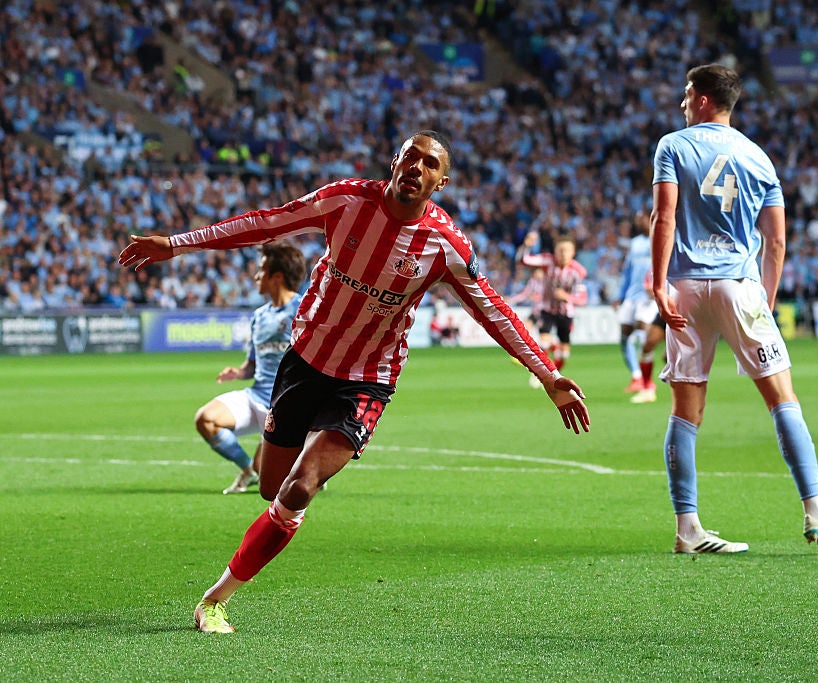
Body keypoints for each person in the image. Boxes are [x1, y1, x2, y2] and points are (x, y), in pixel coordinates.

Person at [118, 130, 590, 633]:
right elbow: (264, 223)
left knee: (299, 489)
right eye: (410, 156)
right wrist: (177, 244)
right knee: (272, 488)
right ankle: (269, 514)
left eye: (429, 164)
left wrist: (549, 373)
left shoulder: (445, 245)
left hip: (367, 379)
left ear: (441, 182)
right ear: (394, 161)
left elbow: (491, 309)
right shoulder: (344, 201)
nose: (417, 167)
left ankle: (215, 598)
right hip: (305, 361)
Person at [649, 64, 818, 554]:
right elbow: (776, 241)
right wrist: (765, 301)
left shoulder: (673, 146)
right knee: (782, 399)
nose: (683, 102)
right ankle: (817, 513)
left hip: (685, 286)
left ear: (705, 99)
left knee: (686, 412)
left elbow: (663, 215)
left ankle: (688, 529)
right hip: (738, 285)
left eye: (688, 94)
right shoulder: (758, 157)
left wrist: (659, 284)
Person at [194, 243, 305, 494]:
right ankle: (247, 470)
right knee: (205, 419)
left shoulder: (304, 310)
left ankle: (305, 457)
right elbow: (252, 365)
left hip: (287, 405)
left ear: (277, 276)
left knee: (271, 475)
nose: (256, 276)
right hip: (257, 396)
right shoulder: (259, 316)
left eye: (261, 271)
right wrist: (239, 372)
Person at [517, 231, 588, 386]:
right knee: (544, 343)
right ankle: (542, 376)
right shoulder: (547, 261)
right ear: (555, 251)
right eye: (560, 250)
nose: (563, 253)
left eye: (567, 250)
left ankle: (554, 375)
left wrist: (566, 297)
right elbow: (523, 260)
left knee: (564, 353)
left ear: (573, 252)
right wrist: (526, 245)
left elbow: (583, 299)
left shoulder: (578, 271)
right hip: (547, 309)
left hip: (565, 313)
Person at [614, 213, 658, 395]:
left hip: (649, 297)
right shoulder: (635, 243)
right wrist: (620, 295)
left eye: (642, 218)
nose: (639, 221)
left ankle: (648, 381)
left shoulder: (662, 236)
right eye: (637, 219)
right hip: (632, 296)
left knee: (642, 331)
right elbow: (628, 271)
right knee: (624, 336)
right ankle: (636, 375)